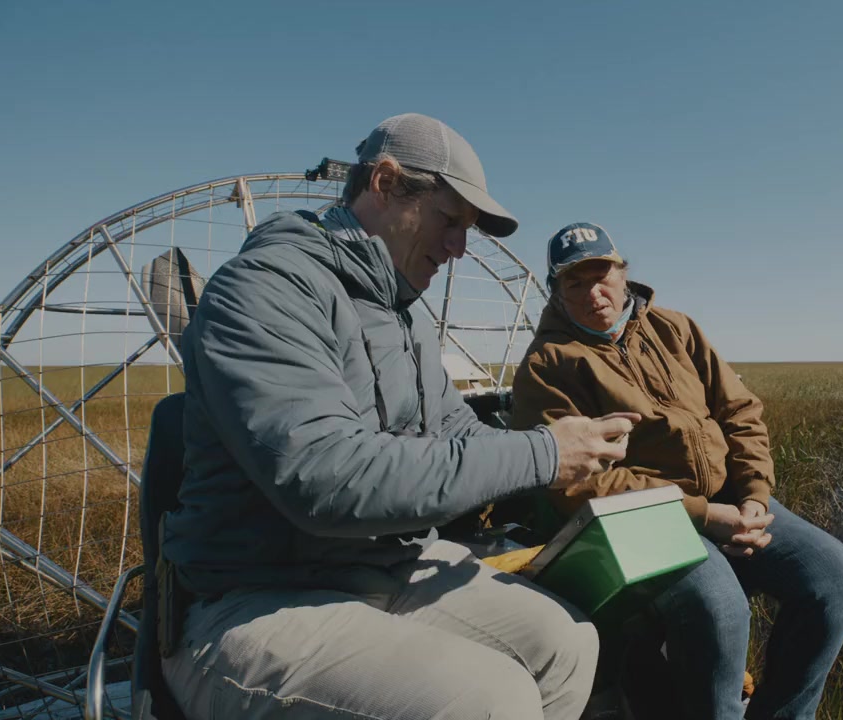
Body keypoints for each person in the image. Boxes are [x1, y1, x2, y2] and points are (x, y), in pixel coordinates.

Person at [160, 116, 638, 719]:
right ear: (385, 184)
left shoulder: (403, 314)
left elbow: (456, 432)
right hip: (257, 594)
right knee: (491, 699)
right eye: (450, 220)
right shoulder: (264, 289)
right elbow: (327, 478)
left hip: (380, 568)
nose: (459, 248)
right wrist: (542, 454)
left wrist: (568, 452)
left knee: (567, 644)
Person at [511, 222, 843, 720]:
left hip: (729, 500)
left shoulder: (675, 328)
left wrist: (754, 496)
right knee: (719, 606)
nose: (594, 292)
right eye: (575, 282)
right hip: (640, 519)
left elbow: (740, 411)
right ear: (556, 291)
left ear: (623, 274)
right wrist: (703, 516)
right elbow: (581, 482)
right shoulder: (547, 365)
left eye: (602, 275)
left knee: (834, 576)